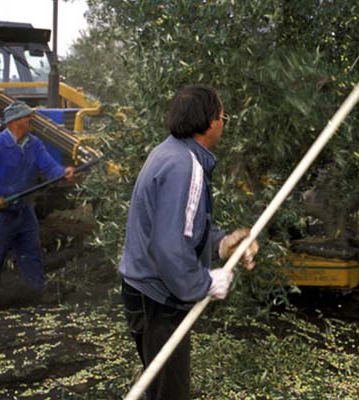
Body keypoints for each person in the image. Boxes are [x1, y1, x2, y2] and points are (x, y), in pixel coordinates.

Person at [119, 84, 259, 399]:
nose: (224, 123)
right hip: (157, 297)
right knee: (170, 393)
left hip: (143, 291)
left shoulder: (168, 153)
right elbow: (169, 248)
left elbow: (183, 228)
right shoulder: (186, 166)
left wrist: (223, 244)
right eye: (225, 116)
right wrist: (203, 282)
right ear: (211, 122)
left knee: (163, 385)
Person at [0, 101, 74, 307]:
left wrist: (63, 173)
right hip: (0, 213)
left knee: (31, 252)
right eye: (28, 117)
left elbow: (49, 167)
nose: (31, 120)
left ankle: (37, 292)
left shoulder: (34, 144)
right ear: (15, 122)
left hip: (23, 209)